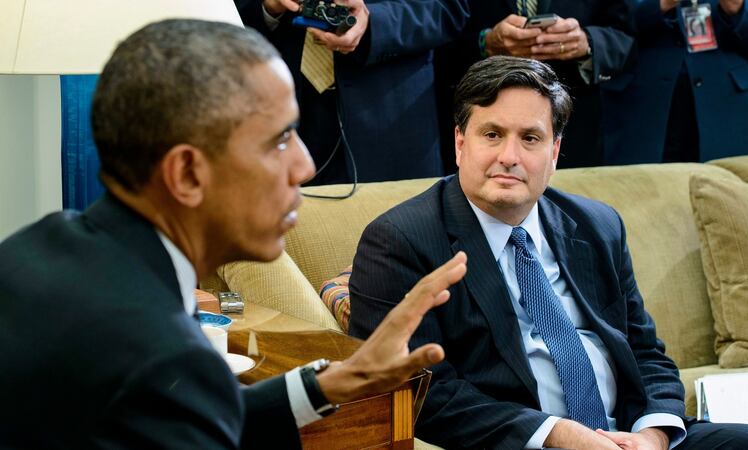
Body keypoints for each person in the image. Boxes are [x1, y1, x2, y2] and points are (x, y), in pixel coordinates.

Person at [0, 19, 467, 449]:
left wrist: (326, 386)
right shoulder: (163, 357)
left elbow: (186, 415)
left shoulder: (37, 246)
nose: (304, 166)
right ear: (186, 173)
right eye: (279, 140)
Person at [349, 56, 748, 449]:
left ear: (554, 152)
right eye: (492, 134)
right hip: (522, 440)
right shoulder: (400, 240)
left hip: (625, 437)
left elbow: (645, 351)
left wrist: (651, 435)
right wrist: (556, 434)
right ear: (461, 143)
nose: (510, 157)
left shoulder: (596, 225)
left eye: (531, 138)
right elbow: (420, 392)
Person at [235, 0, 468, 185]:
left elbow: (449, 7)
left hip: (388, 119)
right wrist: (268, 7)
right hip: (282, 115)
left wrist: (374, 24)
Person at [434, 0, 635, 171]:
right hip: (474, 114)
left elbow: (625, 35)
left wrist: (587, 43)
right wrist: (484, 43)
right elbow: (434, 27)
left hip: (573, 128)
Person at [603, 0, 748, 164]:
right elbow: (606, 27)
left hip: (727, 110)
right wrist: (660, 5)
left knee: (726, 192)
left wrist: (737, 9)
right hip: (645, 110)